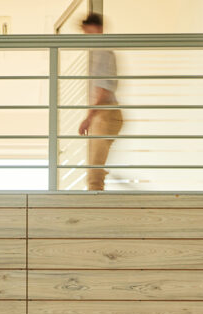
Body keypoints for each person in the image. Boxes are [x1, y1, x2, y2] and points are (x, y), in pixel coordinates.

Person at [78, 12, 122, 192]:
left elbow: (103, 90)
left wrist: (89, 117)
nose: (85, 35)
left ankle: (94, 203)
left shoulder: (102, 51)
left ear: (96, 28)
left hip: (105, 112)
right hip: (106, 112)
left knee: (95, 166)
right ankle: (95, 198)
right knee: (95, 163)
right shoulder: (100, 52)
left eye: (87, 31)